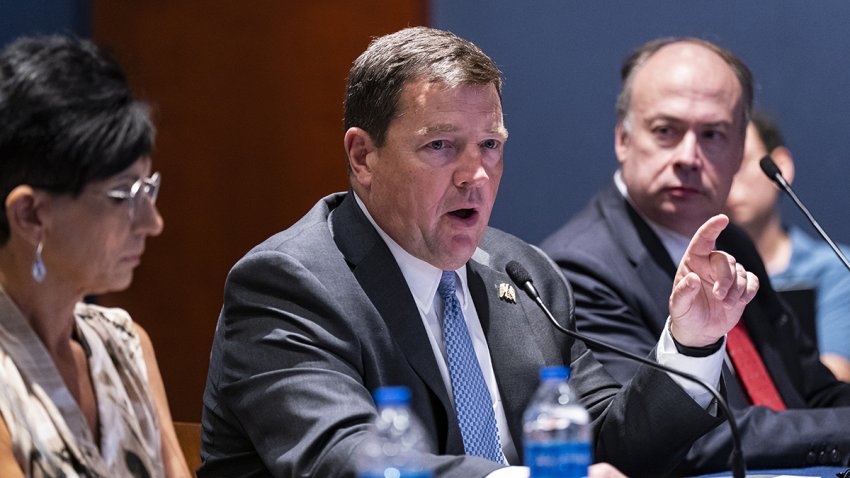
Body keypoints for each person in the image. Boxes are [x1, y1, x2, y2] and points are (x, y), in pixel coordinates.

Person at [200, 27, 759, 478]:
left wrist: (691, 343)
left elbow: (606, 446)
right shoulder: (289, 284)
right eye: (440, 145)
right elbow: (344, 460)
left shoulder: (526, 274)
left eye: (490, 145)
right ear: (363, 156)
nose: (476, 175)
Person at [541, 37, 850, 474]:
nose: (688, 157)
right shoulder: (580, 267)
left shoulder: (734, 242)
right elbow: (669, 439)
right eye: (666, 131)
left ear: (741, 151)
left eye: (712, 135)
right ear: (623, 139)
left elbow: (812, 390)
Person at [0, 36, 190, 477]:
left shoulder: (126, 345)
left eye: (148, 188)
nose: (152, 221)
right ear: (29, 215)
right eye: (124, 194)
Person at [725, 111, 850, 381]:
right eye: (719, 166)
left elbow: (836, 381)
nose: (728, 179)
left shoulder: (835, 269)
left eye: (740, 162)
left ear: (780, 165)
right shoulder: (690, 275)